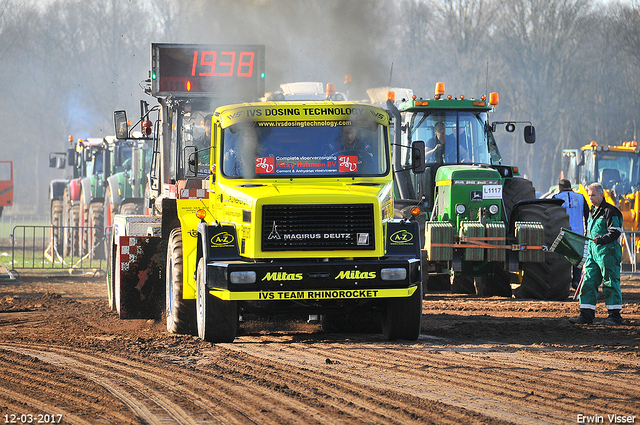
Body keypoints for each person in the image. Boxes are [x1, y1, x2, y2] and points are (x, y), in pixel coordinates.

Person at [569, 182, 624, 325]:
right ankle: (586, 315)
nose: (590, 198)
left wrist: (601, 239)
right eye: (589, 195)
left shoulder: (611, 211)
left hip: (608, 253)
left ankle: (614, 316)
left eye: (593, 195)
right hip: (593, 254)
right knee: (588, 282)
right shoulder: (592, 211)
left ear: (601, 195)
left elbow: (616, 231)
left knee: (610, 282)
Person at [553, 178, 589, 289]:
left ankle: (564, 282)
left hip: (563, 233)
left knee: (563, 259)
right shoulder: (581, 197)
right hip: (579, 233)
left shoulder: (556, 198)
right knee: (577, 259)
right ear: (571, 187)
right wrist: (587, 230)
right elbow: (587, 215)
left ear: (560, 188)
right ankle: (576, 281)